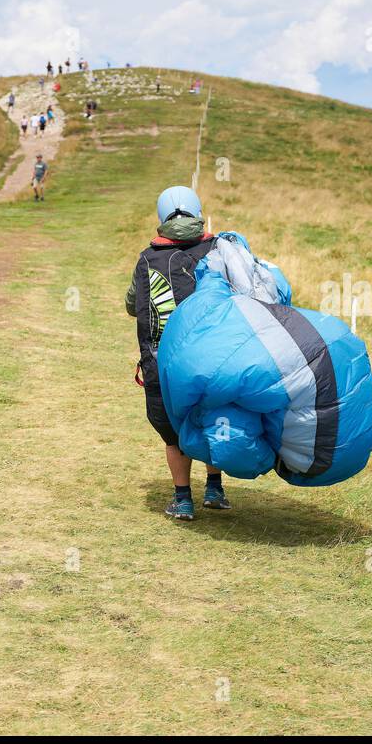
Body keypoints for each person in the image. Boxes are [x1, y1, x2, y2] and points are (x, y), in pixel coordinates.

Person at [125, 185, 225, 521]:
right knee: (212, 420)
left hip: (161, 364)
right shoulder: (217, 250)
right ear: (197, 212)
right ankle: (215, 488)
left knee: (173, 434)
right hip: (214, 360)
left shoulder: (147, 258)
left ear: (161, 217)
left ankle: (183, 500)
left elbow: (131, 304)